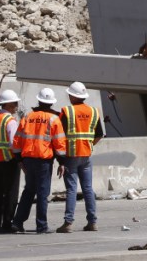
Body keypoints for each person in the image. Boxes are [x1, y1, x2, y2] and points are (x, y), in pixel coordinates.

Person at [10, 87, 66, 234]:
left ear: (39, 101)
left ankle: (17, 222)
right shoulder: (54, 119)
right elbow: (59, 144)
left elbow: (17, 141)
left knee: (28, 191)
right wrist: (62, 162)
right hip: (43, 161)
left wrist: (19, 160)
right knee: (42, 193)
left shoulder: (27, 117)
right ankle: (41, 226)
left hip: (28, 159)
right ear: (51, 103)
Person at [56, 81, 104, 233]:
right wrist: (89, 145)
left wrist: (60, 158)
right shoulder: (94, 111)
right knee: (88, 188)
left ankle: (68, 223)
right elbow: (99, 134)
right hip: (86, 155)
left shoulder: (67, 111)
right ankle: (92, 222)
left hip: (70, 155)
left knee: (71, 189)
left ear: (72, 96)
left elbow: (59, 135)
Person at [0, 90, 21, 233]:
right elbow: (15, 144)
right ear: (7, 104)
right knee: (11, 194)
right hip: (9, 161)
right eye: (14, 103)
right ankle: (7, 222)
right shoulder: (10, 121)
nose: (16, 106)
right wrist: (20, 159)